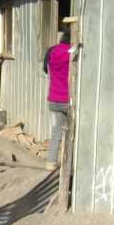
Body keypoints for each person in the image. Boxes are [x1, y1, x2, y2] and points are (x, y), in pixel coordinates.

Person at [43, 27, 71, 172]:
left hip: (53, 99)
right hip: (68, 100)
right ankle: (70, 165)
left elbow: (46, 70)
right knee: (72, 134)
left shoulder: (52, 51)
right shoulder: (73, 52)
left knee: (56, 133)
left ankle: (51, 162)